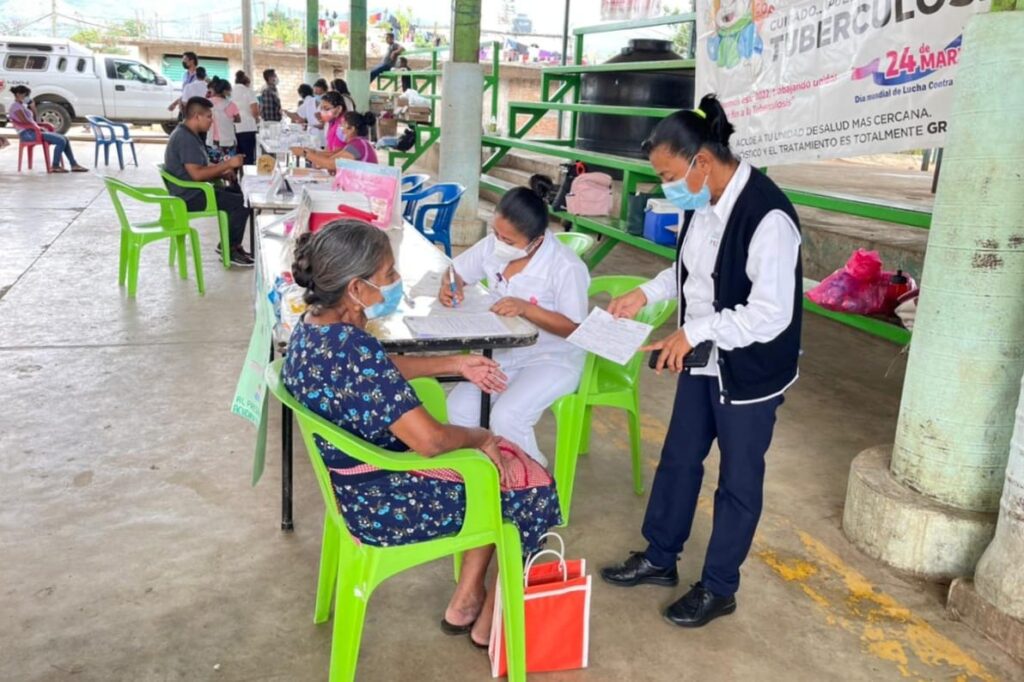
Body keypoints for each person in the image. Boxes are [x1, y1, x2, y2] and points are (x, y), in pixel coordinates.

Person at [282, 220, 562, 648]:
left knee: (493, 461)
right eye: (389, 275)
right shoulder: (352, 348)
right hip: (384, 497)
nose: (397, 283)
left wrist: (454, 363)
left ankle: (467, 598)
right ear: (356, 289)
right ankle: (493, 618)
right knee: (528, 481)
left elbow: (375, 373)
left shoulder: (313, 328)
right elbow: (429, 441)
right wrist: (481, 437)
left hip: (352, 481)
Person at [599, 94, 802, 628]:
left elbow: (771, 313)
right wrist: (645, 294)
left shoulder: (767, 217)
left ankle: (718, 587)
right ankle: (660, 556)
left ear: (702, 162)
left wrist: (693, 331)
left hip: (751, 371)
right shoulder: (702, 203)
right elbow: (691, 275)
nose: (665, 186)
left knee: (737, 481)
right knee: (680, 458)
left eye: (669, 174)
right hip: (702, 356)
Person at [439, 187, 590, 467]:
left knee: (508, 417)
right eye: (496, 233)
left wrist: (527, 308)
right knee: (460, 409)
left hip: (552, 357)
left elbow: (575, 327)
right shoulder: (493, 247)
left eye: (508, 239)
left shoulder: (566, 266)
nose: (499, 242)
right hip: (504, 352)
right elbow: (455, 270)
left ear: (536, 241)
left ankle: (533, 483)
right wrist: (450, 286)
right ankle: (489, 473)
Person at [163, 97, 253, 267]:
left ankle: (228, 244)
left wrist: (223, 172)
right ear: (197, 116)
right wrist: (228, 164)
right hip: (189, 196)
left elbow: (201, 165)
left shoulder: (189, 133)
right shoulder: (185, 138)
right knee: (242, 203)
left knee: (241, 194)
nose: (212, 121)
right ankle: (231, 249)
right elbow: (197, 174)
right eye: (209, 117)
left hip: (193, 190)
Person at [8, 85, 87, 173]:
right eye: (25, 95)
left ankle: (74, 164)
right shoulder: (15, 106)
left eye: (27, 95)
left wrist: (33, 108)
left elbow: (33, 120)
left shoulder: (22, 105)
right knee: (61, 141)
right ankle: (55, 166)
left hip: (34, 130)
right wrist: (37, 128)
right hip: (27, 134)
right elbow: (25, 122)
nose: (26, 97)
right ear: (18, 94)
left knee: (65, 139)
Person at [292, 111, 378, 168]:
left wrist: (305, 153)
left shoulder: (358, 146)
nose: (340, 129)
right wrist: (312, 153)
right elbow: (332, 155)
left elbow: (331, 163)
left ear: (351, 128)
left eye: (342, 125)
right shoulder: (357, 143)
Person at [232, 71, 260, 164]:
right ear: (247, 83)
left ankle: (235, 177)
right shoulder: (249, 91)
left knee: (235, 156)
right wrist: (257, 118)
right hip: (248, 128)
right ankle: (247, 177)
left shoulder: (230, 91)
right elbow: (254, 111)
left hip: (233, 128)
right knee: (248, 157)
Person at [207, 77, 240, 155]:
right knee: (229, 165)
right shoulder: (231, 104)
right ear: (225, 91)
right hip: (228, 141)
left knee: (214, 166)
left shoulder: (207, 103)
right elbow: (238, 119)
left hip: (211, 140)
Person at [168, 51, 199, 116]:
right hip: (184, 107)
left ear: (192, 61)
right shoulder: (185, 75)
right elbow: (185, 93)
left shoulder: (200, 75)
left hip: (195, 108)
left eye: (185, 60)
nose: (183, 62)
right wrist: (175, 104)